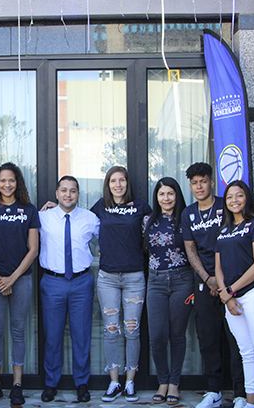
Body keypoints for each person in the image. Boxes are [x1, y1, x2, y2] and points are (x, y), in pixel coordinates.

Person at [180, 162, 246, 408]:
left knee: (236, 339)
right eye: (194, 183)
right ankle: (214, 391)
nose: (199, 186)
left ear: (212, 182)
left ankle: (241, 392)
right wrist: (207, 278)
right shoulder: (188, 214)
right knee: (208, 339)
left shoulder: (225, 205)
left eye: (203, 181)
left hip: (233, 282)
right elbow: (190, 249)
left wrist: (223, 282)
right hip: (204, 283)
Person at [0, 162, 40, 405]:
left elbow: (33, 249)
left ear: (17, 182)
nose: (7, 184)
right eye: (3, 180)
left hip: (20, 280)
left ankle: (17, 385)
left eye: (11, 180)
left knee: (18, 331)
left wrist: (12, 278)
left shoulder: (29, 210)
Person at [215, 180, 254, 408]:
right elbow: (218, 268)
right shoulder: (223, 230)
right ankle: (252, 402)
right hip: (231, 299)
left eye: (239, 195)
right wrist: (227, 296)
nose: (234, 200)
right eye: (230, 197)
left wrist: (231, 291)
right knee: (246, 352)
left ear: (247, 198)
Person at [90, 166, 150, 403]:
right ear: (108, 184)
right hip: (108, 278)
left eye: (122, 180)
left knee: (132, 330)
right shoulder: (100, 207)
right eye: (113, 181)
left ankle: (130, 382)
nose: (118, 185)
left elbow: (158, 224)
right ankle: (114, 382)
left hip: (134, 276)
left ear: (127, 183)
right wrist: (52, 207)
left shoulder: (140, 206)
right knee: (111, 329)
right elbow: (80, 223)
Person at [38, 176, 99, 404]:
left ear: (78, 194)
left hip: (81, 282)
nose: (68, 194)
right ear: (56, 193)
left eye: (73, 190)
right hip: (52, 282)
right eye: (63, 190)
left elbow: (110, 238)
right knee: (52, 336)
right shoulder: (42, 217)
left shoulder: (90, 218)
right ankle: (51, 383)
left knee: (81, 335)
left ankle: (81, 383)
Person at [143, 177, 193, 406]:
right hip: (155, 282)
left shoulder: (186, 218)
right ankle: (162, 381)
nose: (166, 198)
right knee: (157, 335)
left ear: (177, 195)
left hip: (182, 280)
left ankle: (174, 382)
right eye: (162, 194)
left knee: (177, 335)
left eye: (170, 193)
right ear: (156, 197)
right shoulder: (147, 220)